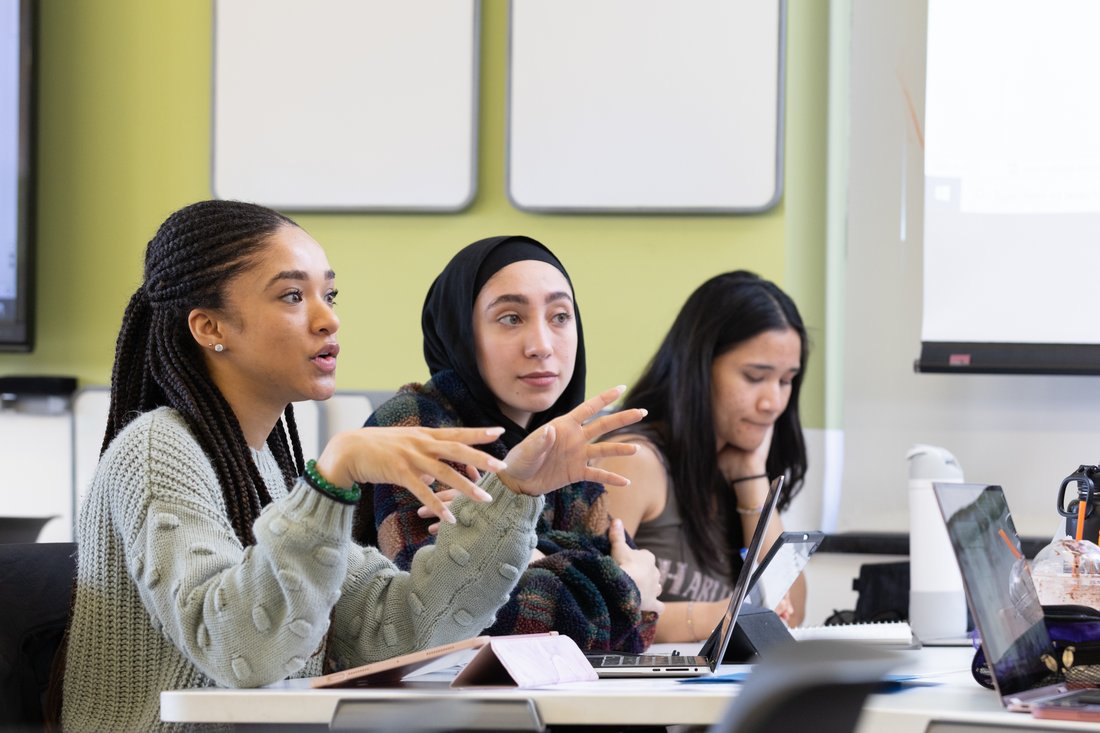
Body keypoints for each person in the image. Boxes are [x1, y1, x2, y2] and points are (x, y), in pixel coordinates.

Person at [55, 201, 643, 733]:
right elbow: (243, 651)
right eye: (292, 296)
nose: (327, 319)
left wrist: (513, 489)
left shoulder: (271, 468)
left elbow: (407, 630)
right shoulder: (158, 449)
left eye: (328, 296)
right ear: (210, 326)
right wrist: (332, 476)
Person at [354, 235, 664, 653]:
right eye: (511, 318)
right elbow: (468, 623)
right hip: (427, 710)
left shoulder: (563, 438)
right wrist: (625, 583)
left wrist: (535, 558)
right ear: (461, 331)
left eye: (559, 317)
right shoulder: (415, 428)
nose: (541, 346)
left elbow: (634, 634)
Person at [592, 270, 809, 643]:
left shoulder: (735, 463)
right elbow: (593, 611)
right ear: (699, 367)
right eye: (755, 377)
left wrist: (752, 479)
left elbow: (793, 611)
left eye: (786, 380)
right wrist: (724, 615)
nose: (772, 401)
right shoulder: (635, 460)